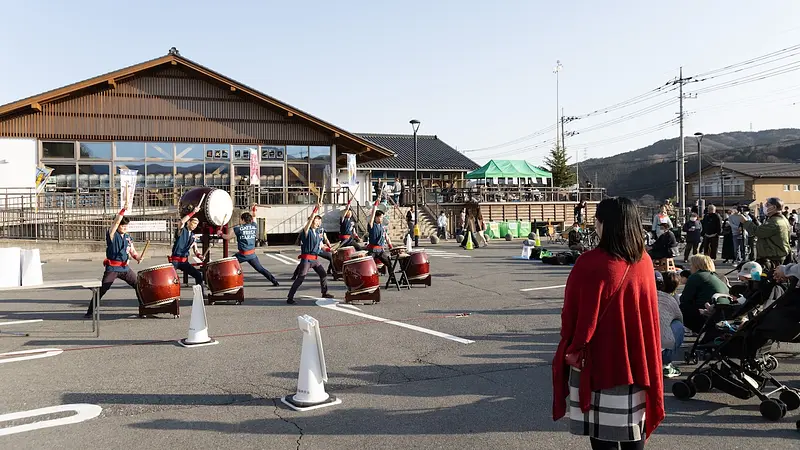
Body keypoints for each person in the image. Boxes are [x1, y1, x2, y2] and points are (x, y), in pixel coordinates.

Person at [553, 197, 664, 449]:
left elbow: (572, 315)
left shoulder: (590, 263)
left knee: (602, 437)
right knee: (634, 429)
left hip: (599, 361)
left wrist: (572, 344)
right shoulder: (643, 261)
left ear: (604, 224)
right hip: (637, 361)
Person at [84, 198, 142, 318]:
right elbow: (115, 223)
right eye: (123, 226)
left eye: (126, 226)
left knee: (139, 286)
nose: (125, 228)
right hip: (112, 268)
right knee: (102, 290)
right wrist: (123, 210)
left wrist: (137, 257)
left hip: (125, 268)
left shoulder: (128, 237)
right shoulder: (112, 234)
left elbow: (132, 250)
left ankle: (143, 309)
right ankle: (90, 311)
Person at [287, 202, 333, 304]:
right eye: (316, 221)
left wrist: (331, 250)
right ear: (312, 222)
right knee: (300, 279)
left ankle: (324, 292)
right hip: (307, 259)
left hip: (315, 259)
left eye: (319, 221)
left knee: (323, 274)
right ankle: (290, 297)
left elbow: (322, 246)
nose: (318, 223)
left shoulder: (317, 233)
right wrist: (315, 209)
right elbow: (310, 221)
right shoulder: (306, 231)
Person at [219, 211, 279, 286]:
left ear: (243, 220)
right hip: (252, 255)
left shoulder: (238, 229)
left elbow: (227, 237)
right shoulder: (254, 226)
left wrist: (220, 233)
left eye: (241, 219)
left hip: (242, 255)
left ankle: (224, 283)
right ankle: (274, 281)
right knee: (261, 269)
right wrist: (253, 210)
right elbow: (254, 217)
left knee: (228, 264)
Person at [679, 255, 728, 333]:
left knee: (678, 307)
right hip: (723, 314)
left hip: (705, 315)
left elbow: (685, 299)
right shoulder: (717, 277)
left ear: (696, 265)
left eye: (691, 265)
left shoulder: (697, 276)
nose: (690, 267)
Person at [742, 197, 792, 267]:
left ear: (774, 207)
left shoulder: (775, 222)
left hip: (773, 258)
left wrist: (745, 222)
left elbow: (758, 231)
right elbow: (762, 228)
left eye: (767, 205)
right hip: (774, 255)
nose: (765, 206)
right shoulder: (778, 219)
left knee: (770, 276)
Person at [169, 204, 205, 292]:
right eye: (194, 223)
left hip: (184, 261)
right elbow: (181, 222)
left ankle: (200, 295)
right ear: (189, 222)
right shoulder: (181, 230)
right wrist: (193, 212)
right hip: (175, 261)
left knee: (198, 275)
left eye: (197, 224)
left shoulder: (193, 236)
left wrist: (200, 256)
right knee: (170, 278)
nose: (195, 225)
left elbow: (195, 250)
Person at [656, 271, 684, 378]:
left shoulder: (634, 296)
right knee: (678, 325)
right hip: (657, 352)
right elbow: (680, 320)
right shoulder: (669, 300)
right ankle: (665, 364)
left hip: (631, 351)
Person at [367, 203, 393, 270]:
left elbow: (387, 237)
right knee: (368, 265)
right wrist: (376, 204)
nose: (382, 219)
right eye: (381, 217)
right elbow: (372, 215)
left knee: (390, 263)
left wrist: (391, 247)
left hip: (380, 251)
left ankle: (393, 279)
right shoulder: (372, 225)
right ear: (376, 217)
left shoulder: (382, 227)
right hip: (372, 250)